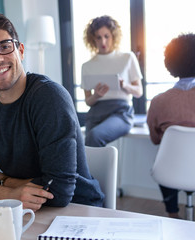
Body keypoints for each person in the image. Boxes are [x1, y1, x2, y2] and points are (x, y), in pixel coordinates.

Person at [0, 11, 104, 212]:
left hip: (75, 211)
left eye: (5, 47)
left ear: (21, 51)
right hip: (20, 210)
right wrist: (10, 194)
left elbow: (59, 191)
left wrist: (5, 180)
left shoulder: (49, 97)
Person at [147, 33, 195, 219]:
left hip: (172, 172)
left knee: (164, 159)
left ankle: (173, 214)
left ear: (171, 63)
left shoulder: (159, 101)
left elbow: (154, 139)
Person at [81, 15, 143, 147]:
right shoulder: (87, 66)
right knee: (84, 148)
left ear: (113, 36)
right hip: (95, 113)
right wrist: (97, 95)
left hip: (120, 113)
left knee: (94, 136)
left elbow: (139, 92)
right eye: (98, 37)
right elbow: (88, 101)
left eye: (106, 36)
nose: (103, 41)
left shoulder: (127, 58)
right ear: (93, 39)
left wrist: (124, 85)